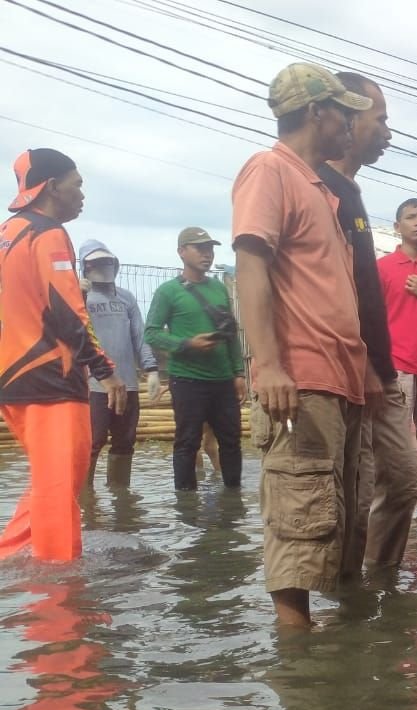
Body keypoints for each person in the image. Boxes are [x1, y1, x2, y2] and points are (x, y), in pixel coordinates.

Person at [232, 62, 373, 626]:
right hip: (301, 380)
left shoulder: (321, 189)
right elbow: (250, 265)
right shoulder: (270, 170)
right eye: (343, 112)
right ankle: (301, 677)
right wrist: (268, 365)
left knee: (335, 524)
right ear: (317, 112)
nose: (349, 124)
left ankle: (335, 671)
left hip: (338, 381)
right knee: (300, 530)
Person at [0, 148, 127, 562]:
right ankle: (60, 610)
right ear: (53, 187)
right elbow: (68, 312)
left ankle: (10, 561)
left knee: (50, 485)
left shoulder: (8, 233)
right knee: (58, 492)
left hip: (14, 381)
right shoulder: (48, 234)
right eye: (78, 185)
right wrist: (105, 370)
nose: (82, 195)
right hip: (51, 380)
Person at [318, 72, 417, 575]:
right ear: (349, 117)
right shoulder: (317, 188)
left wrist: (378, 368)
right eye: (380, 119)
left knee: (401, 479)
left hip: (381, 370)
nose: (387, 132)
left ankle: (379, 585)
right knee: (347, 495)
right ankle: (345, 600)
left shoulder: (351, 193)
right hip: (344, 372)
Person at [144, 226, 246, 491]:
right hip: (188, 380)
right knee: (187, 442)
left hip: (223, 380)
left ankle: (233, 502)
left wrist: (238, 374)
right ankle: (186, 508)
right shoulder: (168, 292)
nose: (207, 254)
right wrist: (187, 344)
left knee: (231, 441)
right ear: (181, 252)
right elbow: (152, 334)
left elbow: (230, 333)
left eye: (210, 249)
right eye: (199, 248)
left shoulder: (219, 289)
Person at [78, 239, 160, 488]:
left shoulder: (126, 298)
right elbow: (70, 329)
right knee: (93, 441)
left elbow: (140, 335)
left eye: (107, 261)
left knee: (125, 440)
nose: (103, 266)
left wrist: (152, 368)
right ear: (85, 266)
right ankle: (85, 498)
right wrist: (76, 294)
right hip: (94, 385)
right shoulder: (77, 296)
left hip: (127, 383)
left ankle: (120, 496)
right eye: (96, 262)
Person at [378, 197, 417, 507]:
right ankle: (395, 503)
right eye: (411, 216)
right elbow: (370, 319)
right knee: (394, 441)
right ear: (397, 226)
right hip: (396, 367)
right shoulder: (383, 269)